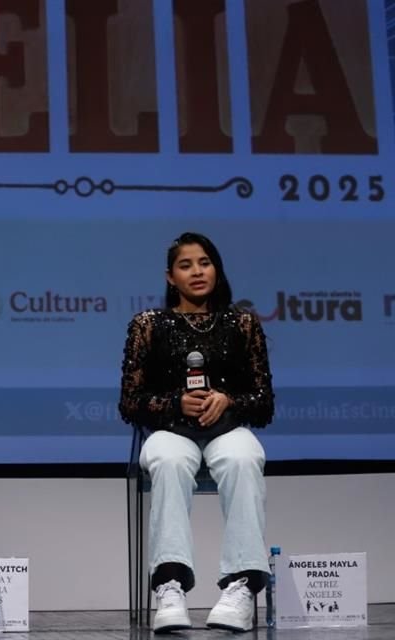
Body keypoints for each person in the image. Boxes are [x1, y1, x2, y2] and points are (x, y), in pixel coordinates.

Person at [119, 232, 274, 633]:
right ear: (170, 277)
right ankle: (169, 585)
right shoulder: (148, 325)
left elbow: (263, 402)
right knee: (168, 460)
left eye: (204, 263)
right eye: (185, 265)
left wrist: (229, 400)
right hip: (171, 429)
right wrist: (175, 403)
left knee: (244, 458)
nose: (197, 271)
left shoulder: (243, 323)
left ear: (217, 269)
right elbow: (130, 402)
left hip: (227, 427)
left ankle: (242, 585)